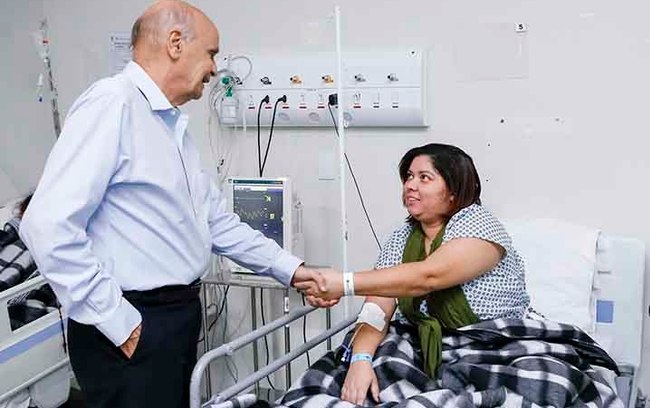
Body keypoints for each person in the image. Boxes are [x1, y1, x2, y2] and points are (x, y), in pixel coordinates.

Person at [19, 2, 331, 407]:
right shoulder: (113, 104)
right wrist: (118, 321)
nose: (214, 68)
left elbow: (217, 223)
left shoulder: (170, 126)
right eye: (211, 53)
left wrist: (293, 270)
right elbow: (46, 225)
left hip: (172, 318)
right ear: (175, 43)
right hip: (132, 323)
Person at [298, 143, 530, 405]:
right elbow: (378, 305)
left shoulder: (478, 223)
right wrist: (361, 360)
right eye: (409, 176)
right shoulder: (401, 238)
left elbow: (427, 277)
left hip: (492, 343)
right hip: (418, 344)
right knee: (327, 388)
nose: (410, 185)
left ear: (454, 190)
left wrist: (344, 283)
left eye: (424, 177)